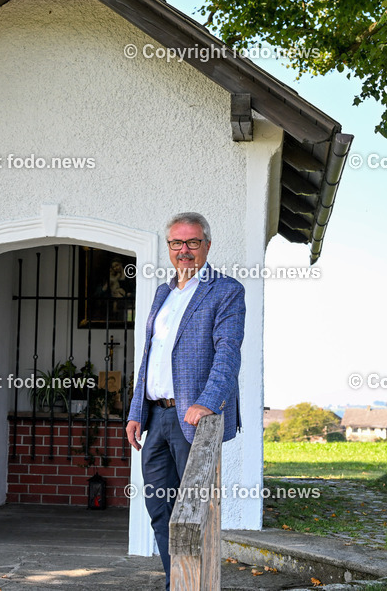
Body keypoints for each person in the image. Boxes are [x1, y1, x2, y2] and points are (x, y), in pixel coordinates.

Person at [125, 212, 245, 590]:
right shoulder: (163, 293)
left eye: (193, 242)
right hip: (156, 418)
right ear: (169, 247)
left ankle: (196, 585)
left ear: (207, 245)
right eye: (177, 243)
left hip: (191, 419)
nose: (184, 251)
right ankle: (175, 583)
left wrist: (207, 402)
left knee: (192, 514)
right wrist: (136, 411)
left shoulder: (226, 291)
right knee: (159, 510)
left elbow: (228, 354)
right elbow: (151, 356)